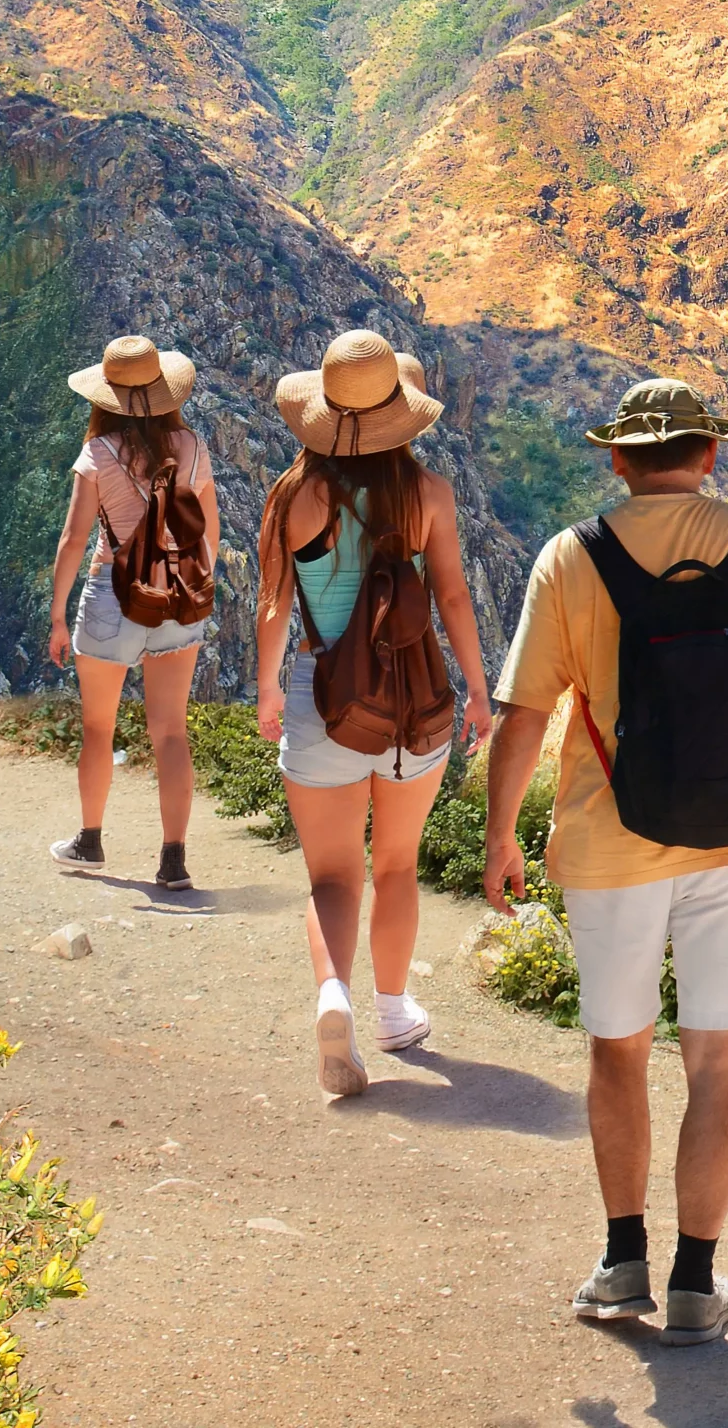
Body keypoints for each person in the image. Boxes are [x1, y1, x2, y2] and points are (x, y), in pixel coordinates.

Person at [483, 376, 728, 1346]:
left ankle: (619, 1263)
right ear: (707, 456)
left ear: (617, 459)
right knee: (715, 1062)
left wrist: (492, 837)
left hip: (610, 844)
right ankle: (694, 1279)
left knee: (615, 1049)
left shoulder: (569, 558)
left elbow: (521, 713)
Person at [256, 331, 493, 1098]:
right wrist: (480, 690)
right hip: (409, 707)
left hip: (320, 697)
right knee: (395, 865)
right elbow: (452, 595)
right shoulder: (428, 497)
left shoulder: (295, 498)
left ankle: (335, 996)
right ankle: (392, 1014)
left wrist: (266, 692)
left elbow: (273, 606)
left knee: (331, 876)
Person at [47, 334, 220, 892]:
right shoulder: (190, 446)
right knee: (170, 733)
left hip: (109, 596)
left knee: (98, 727)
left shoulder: (97, 454)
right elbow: (209, 531)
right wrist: (190, 581)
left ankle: (90, 841)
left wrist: (57, 614)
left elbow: (75, 539)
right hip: (176, 599)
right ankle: (173, 860)